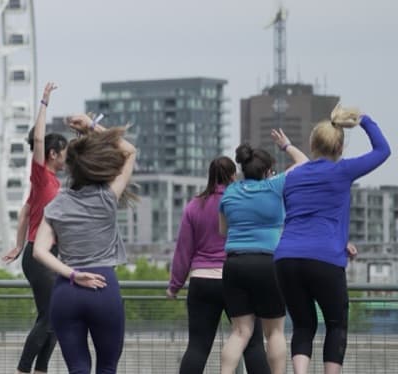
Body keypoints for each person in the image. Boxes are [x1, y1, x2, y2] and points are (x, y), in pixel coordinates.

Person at [274, 107, 391, 374]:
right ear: (339, 148)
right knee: (336, 324)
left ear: (313, 145)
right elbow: (383, 151)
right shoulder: (342, 171)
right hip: (324, 259)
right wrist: (363, 120)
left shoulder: (292, 176)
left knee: (303, 326)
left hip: (286, 259)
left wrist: (288, 147)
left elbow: (307, 215)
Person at [33, 114, 135, 374]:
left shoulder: (56, 204)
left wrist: (73, 274)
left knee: (78, 369)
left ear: (69, 167)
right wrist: (90, 126)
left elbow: (38, 251)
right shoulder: (107, 197)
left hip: (66, 291)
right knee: (107, 368)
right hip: (103, 287)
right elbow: (129, 151)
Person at [167, 156, 269, 374]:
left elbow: (183, 251)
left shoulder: (194, 206)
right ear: (234, 176)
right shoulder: (242, 201)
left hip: (202, 281)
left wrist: (175, 285)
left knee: (197, 347)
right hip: (239, 278)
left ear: (210, 176)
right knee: (252, 345)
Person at [218, 131, 308, 374]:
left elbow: (222, 231)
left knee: (240, 332)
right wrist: (286, 145)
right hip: (268, 263)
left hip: (235, 264)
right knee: (274, 332)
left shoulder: (230, 192)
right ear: (268, 170)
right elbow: (305, 163)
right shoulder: (275, 185)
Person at [2, 82, 67, 374]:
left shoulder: (50, 184)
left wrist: (18, 244)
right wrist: (44, 101)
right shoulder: (41, 176)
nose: (67, 157)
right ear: (53, 154)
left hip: (48, 255)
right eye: (64, 152)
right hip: (39, 258)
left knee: (57, 316)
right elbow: (39, 139)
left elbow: (26, 211)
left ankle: (40, 369)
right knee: (50, 316)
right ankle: (24, 369)